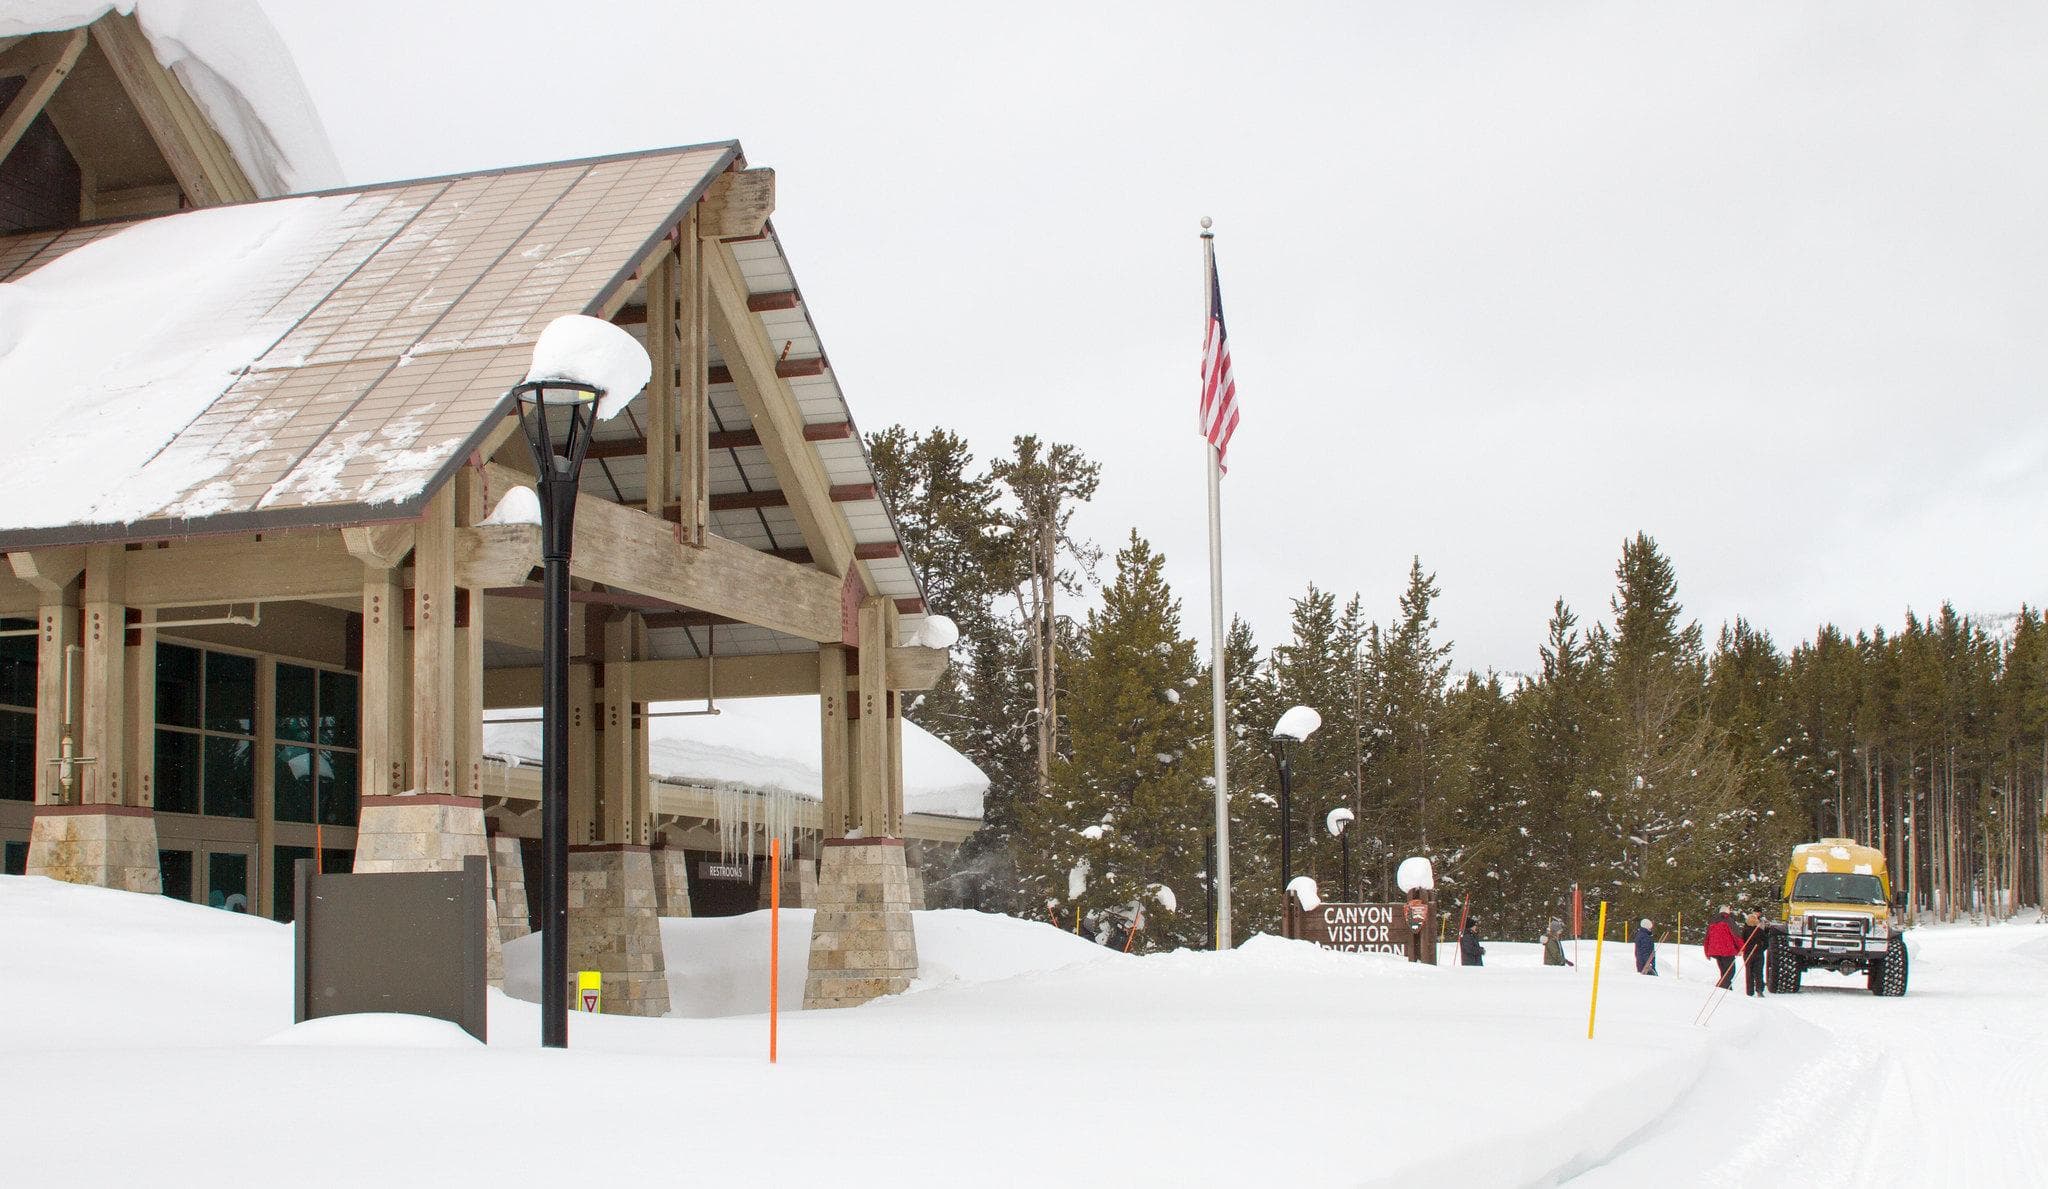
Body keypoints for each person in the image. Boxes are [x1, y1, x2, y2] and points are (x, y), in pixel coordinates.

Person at [1704, 905, 1742, 989]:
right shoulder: (1729, 921)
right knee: (1730, 972)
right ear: (1727, 912)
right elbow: (1736, 936)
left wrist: (1707, 951)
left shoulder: (1713, 921)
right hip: (1727, 950)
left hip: (1715, 950)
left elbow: (1707, 937)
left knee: (1724, 971)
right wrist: (1741, 948)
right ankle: (1720, 988)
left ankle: (1727, 990)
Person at [1739, 908, 1770, 996]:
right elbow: (1766, 942)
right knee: (1758, 972)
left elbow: (1742, 941)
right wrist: (1761, 949)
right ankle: (1759, 990)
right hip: (1758, 953)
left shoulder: (1745, 930)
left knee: (1749, 972)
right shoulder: (1759, 930)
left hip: (1748, 953)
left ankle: (1749, 992)